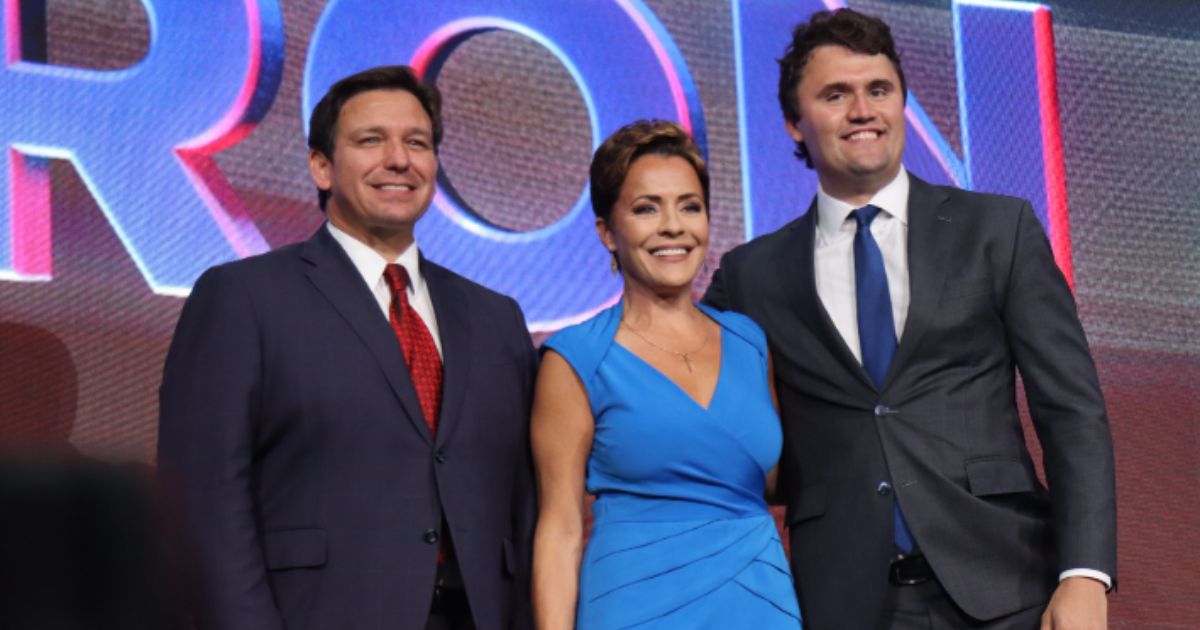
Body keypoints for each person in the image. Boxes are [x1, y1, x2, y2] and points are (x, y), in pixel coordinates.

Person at [704, 8, 1116, 630]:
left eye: (879, 90)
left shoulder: (996, 230)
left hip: (1006, 585)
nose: (863, 110)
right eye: (835, 95)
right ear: (794, 123)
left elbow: (1071, 409)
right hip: (841, 598)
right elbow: (682, 393)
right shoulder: (751, 275)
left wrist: (1084, 572)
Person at [158, 65, 538, 630]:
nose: (399, 159)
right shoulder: (243, 297)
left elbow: (525, 504)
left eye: (417, 142)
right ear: (321, 166)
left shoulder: (495, 317)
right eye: (370, 141)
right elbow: (205, 498)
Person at [531, 120, 802, 629]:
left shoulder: (749, 341)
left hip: (758, 601)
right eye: (646, 208)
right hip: (635, 604)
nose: (673, 226)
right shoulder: (575, 358)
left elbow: (760, 480)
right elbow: (560, 530)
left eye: (689, 206)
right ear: (607, 232)